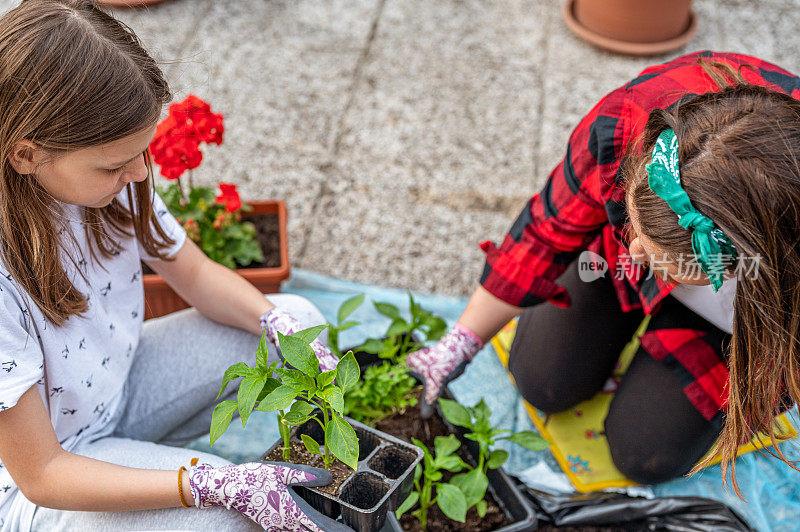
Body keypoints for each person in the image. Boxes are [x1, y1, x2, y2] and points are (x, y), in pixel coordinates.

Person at [0, 1, 351, 531]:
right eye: (116, 164)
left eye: (141, 153)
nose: (141, 171)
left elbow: (195, 274)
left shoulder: (113, 188)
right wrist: (205, 483)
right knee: (226, 517)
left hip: (115, 391)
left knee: (298, 321)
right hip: (47, 478)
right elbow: (43, 474)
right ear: (25, 154)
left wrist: (276, 324)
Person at [408, 50, 800, 491]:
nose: (633, 249)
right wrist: (459, 343)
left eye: (664, 261)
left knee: (645, 454)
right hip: (615, 269)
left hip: (746, 321)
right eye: (634, 225)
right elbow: (546, 230)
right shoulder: (637, 121)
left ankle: (682, 325)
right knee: (544, 382)